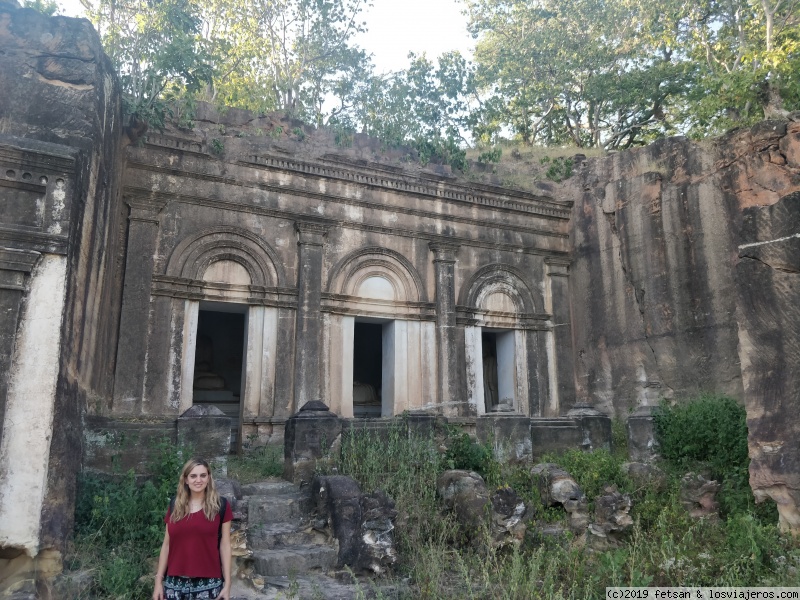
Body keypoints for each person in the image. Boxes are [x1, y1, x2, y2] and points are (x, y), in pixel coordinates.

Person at [152, 458, 233, 600]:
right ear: (186, 479)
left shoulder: (220, 506)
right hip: (174, 584)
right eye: (193, 476)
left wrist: (228, 585)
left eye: (203, 475)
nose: (198, 480)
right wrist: (158, 582)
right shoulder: (174, 506)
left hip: (209, 583)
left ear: (208, 478)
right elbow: (166, 545)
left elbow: (225, 545)